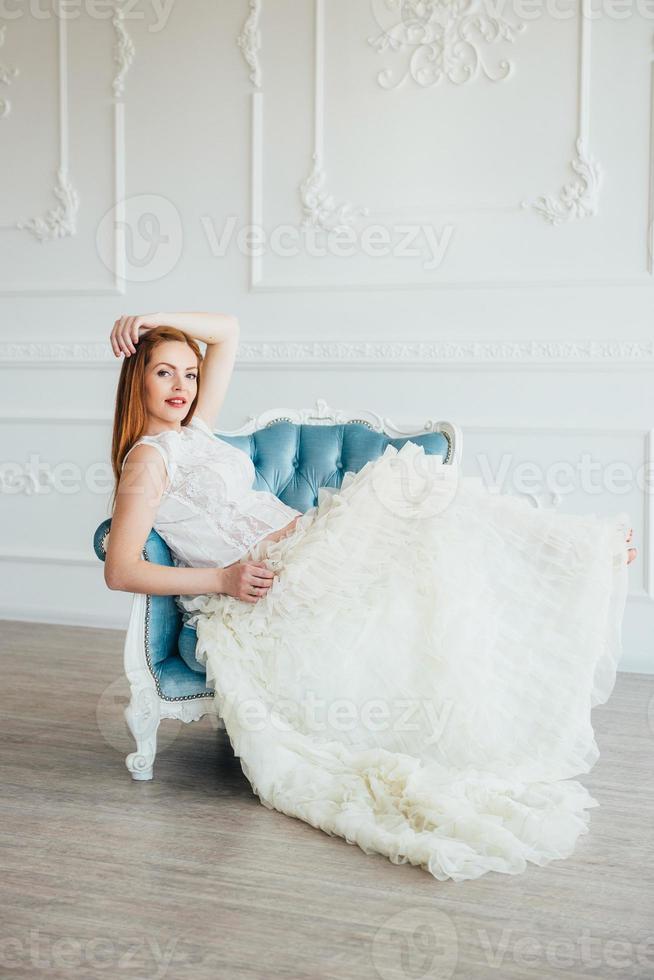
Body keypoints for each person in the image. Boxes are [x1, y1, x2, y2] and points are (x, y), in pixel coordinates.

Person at [105, 312, 638, 883]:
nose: (183, 386)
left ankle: (561, 555)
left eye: (189, 372)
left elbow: (228, 331)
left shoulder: (196, 433)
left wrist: (155, 321)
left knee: (426, 528)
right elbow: (121, 568)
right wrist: (222, 579)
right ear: (138, 380)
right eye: (165, 373)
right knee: (404, 487)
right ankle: (570, 551)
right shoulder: (149, 459)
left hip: (303, 547)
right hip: (269, 577)